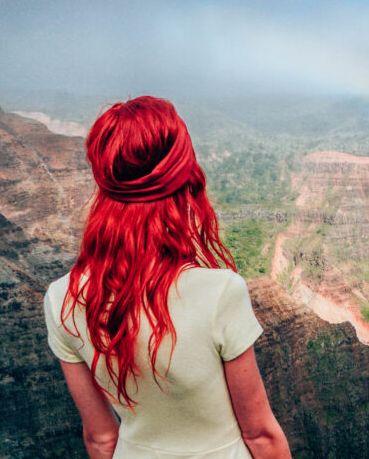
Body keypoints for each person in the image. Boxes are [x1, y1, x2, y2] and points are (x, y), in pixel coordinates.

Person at [43, 96, 291, 459]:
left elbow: (100, 439)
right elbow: (260, 435)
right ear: (184, 177)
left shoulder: (61, 298)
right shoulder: (220, 292)